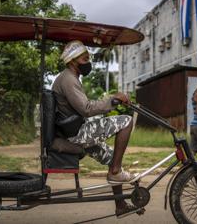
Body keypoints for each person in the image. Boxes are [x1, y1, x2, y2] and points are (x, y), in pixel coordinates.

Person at [52, 40, 140, 216]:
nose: (88, 63)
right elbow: (86, 109)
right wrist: (113, 99)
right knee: (126, 121)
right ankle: (115, 172)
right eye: (84, 60)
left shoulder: (69, 78)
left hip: (73, 131)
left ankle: (120, 205)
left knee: (112, 157)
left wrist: (111, 100)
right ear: (72, 61)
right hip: (77, 134)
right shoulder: (68, 79)